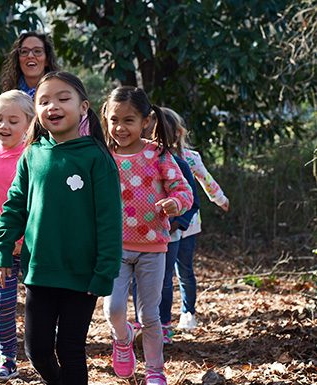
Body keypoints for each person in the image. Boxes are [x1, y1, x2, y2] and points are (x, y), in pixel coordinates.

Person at [0, 71, 123, 385]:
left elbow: (109, 220)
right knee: (36, 349)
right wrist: (2, 249)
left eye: (63, 99)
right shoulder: (33, 155)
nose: (53, 106)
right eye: (44, 100)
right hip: (40, 270)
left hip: (83, 274)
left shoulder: (96, 157)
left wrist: (105, 270)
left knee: (71, 348)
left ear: (83, 107)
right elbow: (14, 206)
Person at [101, 86, 193, 385]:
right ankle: (123, 337)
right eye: (114, 120)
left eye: (129, 120)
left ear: (146, 121)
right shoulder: (104, 157)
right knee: (113, 309)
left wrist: (174, 203)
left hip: (153, 248)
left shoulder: (158, 154)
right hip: (115, 247)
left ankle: (155, 370)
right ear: (105, 119)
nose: (120, 127)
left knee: (150, 315)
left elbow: (184, 192)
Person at [0, 90, 35, 380]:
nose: (4, 126)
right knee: (3, 306)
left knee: (41, 305)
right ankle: (7, 360)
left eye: (13, 120)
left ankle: (44, 354)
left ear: (29, 123)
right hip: (0, 246)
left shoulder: (33, 155)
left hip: (34, 246)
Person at [163, 107, 229, 331]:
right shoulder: (151, 157)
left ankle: (187, 312)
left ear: (178, 133)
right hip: (163, 225)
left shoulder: (190, 158)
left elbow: (206, 180)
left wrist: (220, 199)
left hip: (189, 225)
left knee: (184, 269)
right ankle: (161, 319)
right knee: (163, 273)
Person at [1, 31, 60, 98]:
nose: (30, 56)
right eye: (24, 51)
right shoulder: (8, 98)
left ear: (47, 60)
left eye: (37, 51)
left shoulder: (61, 93)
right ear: (18, 60)